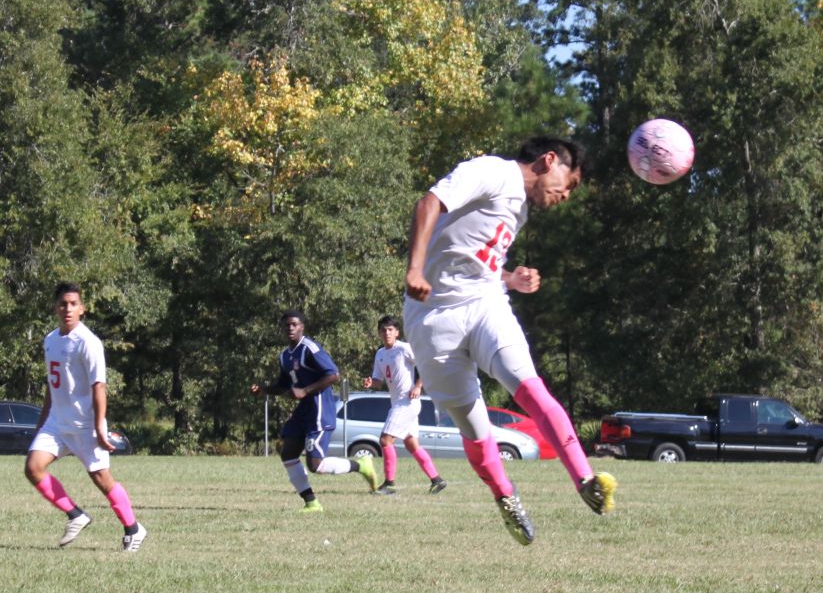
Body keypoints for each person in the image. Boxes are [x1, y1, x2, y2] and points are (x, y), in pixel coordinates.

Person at [402, 135, 615, 545]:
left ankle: (584, 477)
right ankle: (505, 495)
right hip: (432, 319)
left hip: (485, 305)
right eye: (568, 184)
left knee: (528, 384)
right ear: (548, 160)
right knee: (475, 427)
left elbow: (471, 260)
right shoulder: (491, 172)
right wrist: (415, 269)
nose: (565, 196)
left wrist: (509, 279)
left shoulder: (520, 210)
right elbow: (429, 203)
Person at [25, 283, 145, 552]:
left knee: (102, 479)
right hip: (57, 422)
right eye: (63, 304)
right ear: (55, 307)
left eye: (73, 304)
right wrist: (42, 421)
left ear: (82, 308)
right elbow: (51, 384)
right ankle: (76, 514)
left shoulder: (88, 343)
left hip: (85, 425)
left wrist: (100, 427)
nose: (68, 308)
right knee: (33, 467)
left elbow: (98, 387)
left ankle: (133, 529)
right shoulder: (50, 340)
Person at [251, 312, 378, 512]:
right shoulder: (284, 355)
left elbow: (333, 375)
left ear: (302, 327)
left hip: (320, 408)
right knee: (288, 453)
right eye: (286, 325)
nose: (290, 328)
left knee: (315, 464)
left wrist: (306, 390)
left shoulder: (310, 348)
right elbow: (284, 385)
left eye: (294, 324)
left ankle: (361, 465)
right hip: (303, 411)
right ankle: (311, 502)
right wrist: (264, 390)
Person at [359, 315, 447, 495]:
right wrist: (371, 383)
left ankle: (389, 484)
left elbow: (425, 364)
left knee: (385, 440)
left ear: (397, 332)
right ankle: (437, 480)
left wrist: (418, 386)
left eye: (390, 329)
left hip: (408, 402)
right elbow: (378, 380)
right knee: (412, 445)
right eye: (383, 330)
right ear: (379, 333)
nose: (387, 333)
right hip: (398, 402)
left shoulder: (404, 348)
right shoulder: (380, 354)